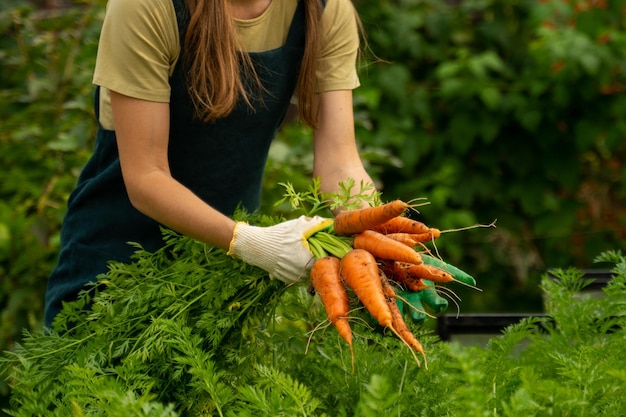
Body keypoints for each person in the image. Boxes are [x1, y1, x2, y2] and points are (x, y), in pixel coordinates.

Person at [43, 0, 375, 328]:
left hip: (226, 287)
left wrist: (380, 241)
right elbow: (146, 176)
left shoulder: (323, 8)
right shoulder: (148, 6)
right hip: (113, 276)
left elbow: (339, 163)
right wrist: (251, 243)